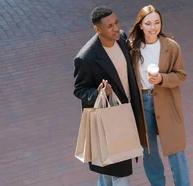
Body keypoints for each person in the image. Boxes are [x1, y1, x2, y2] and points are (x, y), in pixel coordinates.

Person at [73, 6, 144, 186]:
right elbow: (80, 89)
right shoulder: (86, 58)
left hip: (129, 111)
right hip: (110, 118)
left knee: (108, 168)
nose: (115, 29)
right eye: (109, 26)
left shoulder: (121, 39)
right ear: (97, 29)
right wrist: (99, 93)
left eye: (116, 23)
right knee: (120, 170)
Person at [128, 5, 190, 186]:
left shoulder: (171, 47)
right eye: (148, 23)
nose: (153, 27)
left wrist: (162, 78)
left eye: (157, 23)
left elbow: (181, 75)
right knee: (149, 152)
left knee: (176, 150)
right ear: (140, 25)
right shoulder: (133, 48)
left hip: (166, 102)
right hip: (143, 102)